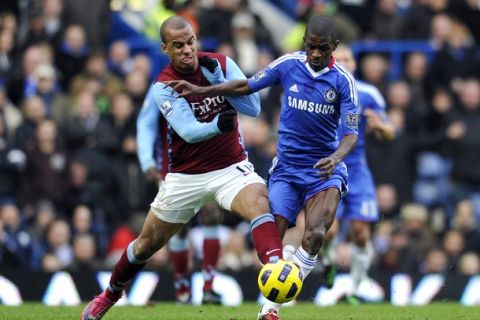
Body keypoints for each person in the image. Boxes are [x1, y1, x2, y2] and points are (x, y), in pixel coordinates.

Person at [81, 16, 284, 320]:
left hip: (230, 167)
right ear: (165, 48)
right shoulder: (163, 86)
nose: (188, 50)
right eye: (179, 45)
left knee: (259, 203)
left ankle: (274, 288)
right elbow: (189, 131)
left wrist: (218, 84)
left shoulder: (220, 64)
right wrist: (218, 122)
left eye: (190, 41)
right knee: (146, 244)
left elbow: (252, 108)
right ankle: (109, 295)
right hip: (186, 176)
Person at [165, 15, 359, 320]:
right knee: (271, 238)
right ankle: (287, 272)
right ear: (304, 44)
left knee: (316, 232)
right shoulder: (287, 65)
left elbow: (351, 133)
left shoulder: (343, 82)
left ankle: (271, 307)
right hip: (287, 170)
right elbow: (248, 84)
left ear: (333, 47)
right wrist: (203, 91)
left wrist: (336, 158)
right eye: (311, 47)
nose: (316, 54)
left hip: (324, 170)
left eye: (323, 49)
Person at [136, 83, 223, 304]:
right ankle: (183, 289)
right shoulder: (163, 85)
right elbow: (145, 123)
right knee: (178, 227)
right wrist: (147, 162)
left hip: (210, 162)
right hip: (172, 165)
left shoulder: (213, 80)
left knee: (212, 214)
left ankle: (208, 287)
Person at [321, 44, 395, 303]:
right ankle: (328, 260)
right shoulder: (318, 92)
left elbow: (389, 132)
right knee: (328, 231)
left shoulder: (368, 93)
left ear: (354, 63)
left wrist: (380, 127)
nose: (344, 63)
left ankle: (356, 286)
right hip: (329, 168)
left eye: (348, 59)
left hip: (357, 169)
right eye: (338, 59)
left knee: (362, 232)